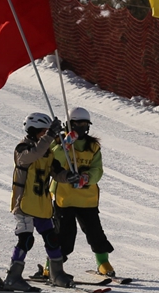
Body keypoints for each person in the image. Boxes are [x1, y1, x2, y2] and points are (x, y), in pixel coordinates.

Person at [1, 112, 73, 291]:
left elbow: (56, 172)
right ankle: (13, 277)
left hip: (41, 204)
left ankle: (57, 274)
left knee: (52, 238)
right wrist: (50, 136)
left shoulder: (47, 151)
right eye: (43, 132)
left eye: (47, 132)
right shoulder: (22, 149)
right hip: (24, 203)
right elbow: (33, 155)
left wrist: (70, 177)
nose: (46, 135)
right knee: (26, 240)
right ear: (33, 131)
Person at [45, 107, 118, 279]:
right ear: (69, 124)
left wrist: (87, 178)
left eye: (85, 124)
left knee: (95, 233)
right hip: (65, 198)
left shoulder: (92, 146)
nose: (82, 127)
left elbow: (97, 169)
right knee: (64, 235)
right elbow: (53, 161)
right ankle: (53, 264)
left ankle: (103, 262)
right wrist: (66, 145)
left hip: (87, 199)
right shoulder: (59, 142)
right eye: (78, 123)